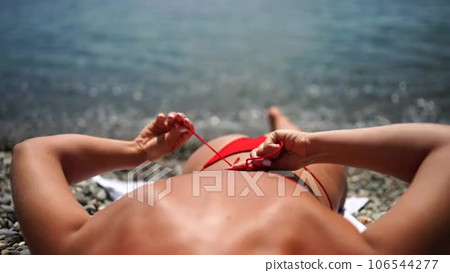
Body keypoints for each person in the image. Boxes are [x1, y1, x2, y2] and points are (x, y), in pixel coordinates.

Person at [10, 107, 450, 254]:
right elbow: (444, 147)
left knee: (288, 134)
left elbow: (34, 150)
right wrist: (312, 148)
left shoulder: (88, 254)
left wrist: (139, 153)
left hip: (219, 163)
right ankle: (283, 120)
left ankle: (285, 123)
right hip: (297, 171)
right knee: (290, 129)